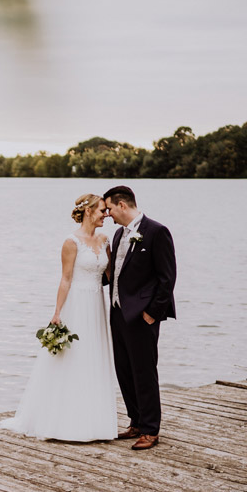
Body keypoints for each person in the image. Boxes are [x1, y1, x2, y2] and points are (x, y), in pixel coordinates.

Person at [0, 193, 118, 442]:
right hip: (77, 303)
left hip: (97, 303)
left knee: (94, 356)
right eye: (101, 211)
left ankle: (95, 421)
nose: (105, 216)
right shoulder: (71, 242)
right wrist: (57, 312)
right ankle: (66, 421)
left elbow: (112, 275)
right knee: (74, 357)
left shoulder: (106, 239)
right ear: (88, 211)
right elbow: (65, 279)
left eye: (107, 211)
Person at [102, 185, 176, 451]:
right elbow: (116, 273)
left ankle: (150, 429)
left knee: (144, 372)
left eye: (109, 208)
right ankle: (135, 421)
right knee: (124, 370)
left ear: (122, 205)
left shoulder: (157, 232)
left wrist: (151, 314)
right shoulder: (119, 234)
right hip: (118, 313)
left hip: (142, 316)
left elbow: (167, 279)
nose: (107, 214)